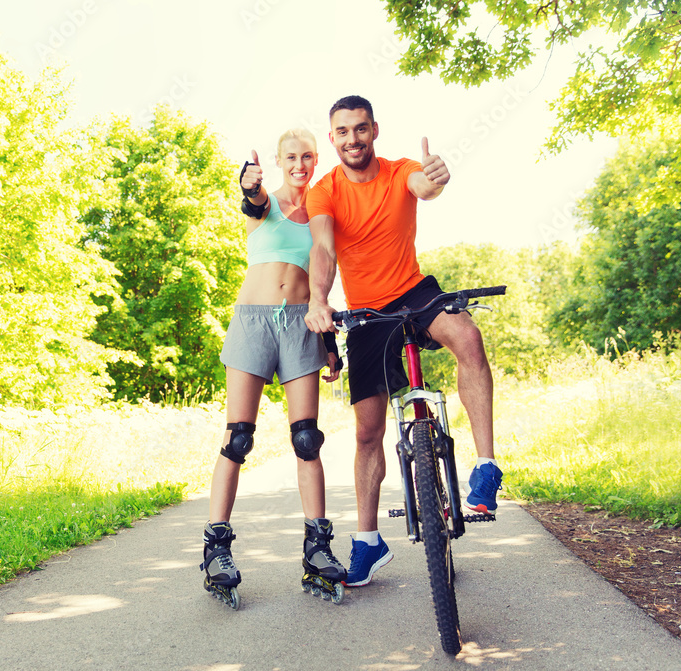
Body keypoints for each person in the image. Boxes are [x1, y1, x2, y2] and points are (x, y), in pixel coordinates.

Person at [304, 95, 504, 588]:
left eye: (361, 129)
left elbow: (424, 186)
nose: (353, 138)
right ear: (333, 138)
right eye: (343, 131)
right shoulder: (324, 191)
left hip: (414, 293)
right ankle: (369, 542)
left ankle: (486, 467)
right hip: (369, 312)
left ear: (375, 130)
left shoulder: (401, 172)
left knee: (466, 333)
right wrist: (318, 299)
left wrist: (434, 179)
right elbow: (325, 249)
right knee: (368, 431)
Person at [200, 128, 347, 608]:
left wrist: (329, 342)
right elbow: (254, 202)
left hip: (302, 325)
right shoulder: (267, 202)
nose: (300, 164)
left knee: (307, 439)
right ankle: (216, 550)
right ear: (280, 161)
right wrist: (249, 185)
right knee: (237, 437)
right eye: (291, 157)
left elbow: (324, 274)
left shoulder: (324, 214)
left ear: (316, 157)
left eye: (307, 156)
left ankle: (317, 549)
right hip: (253, 322)